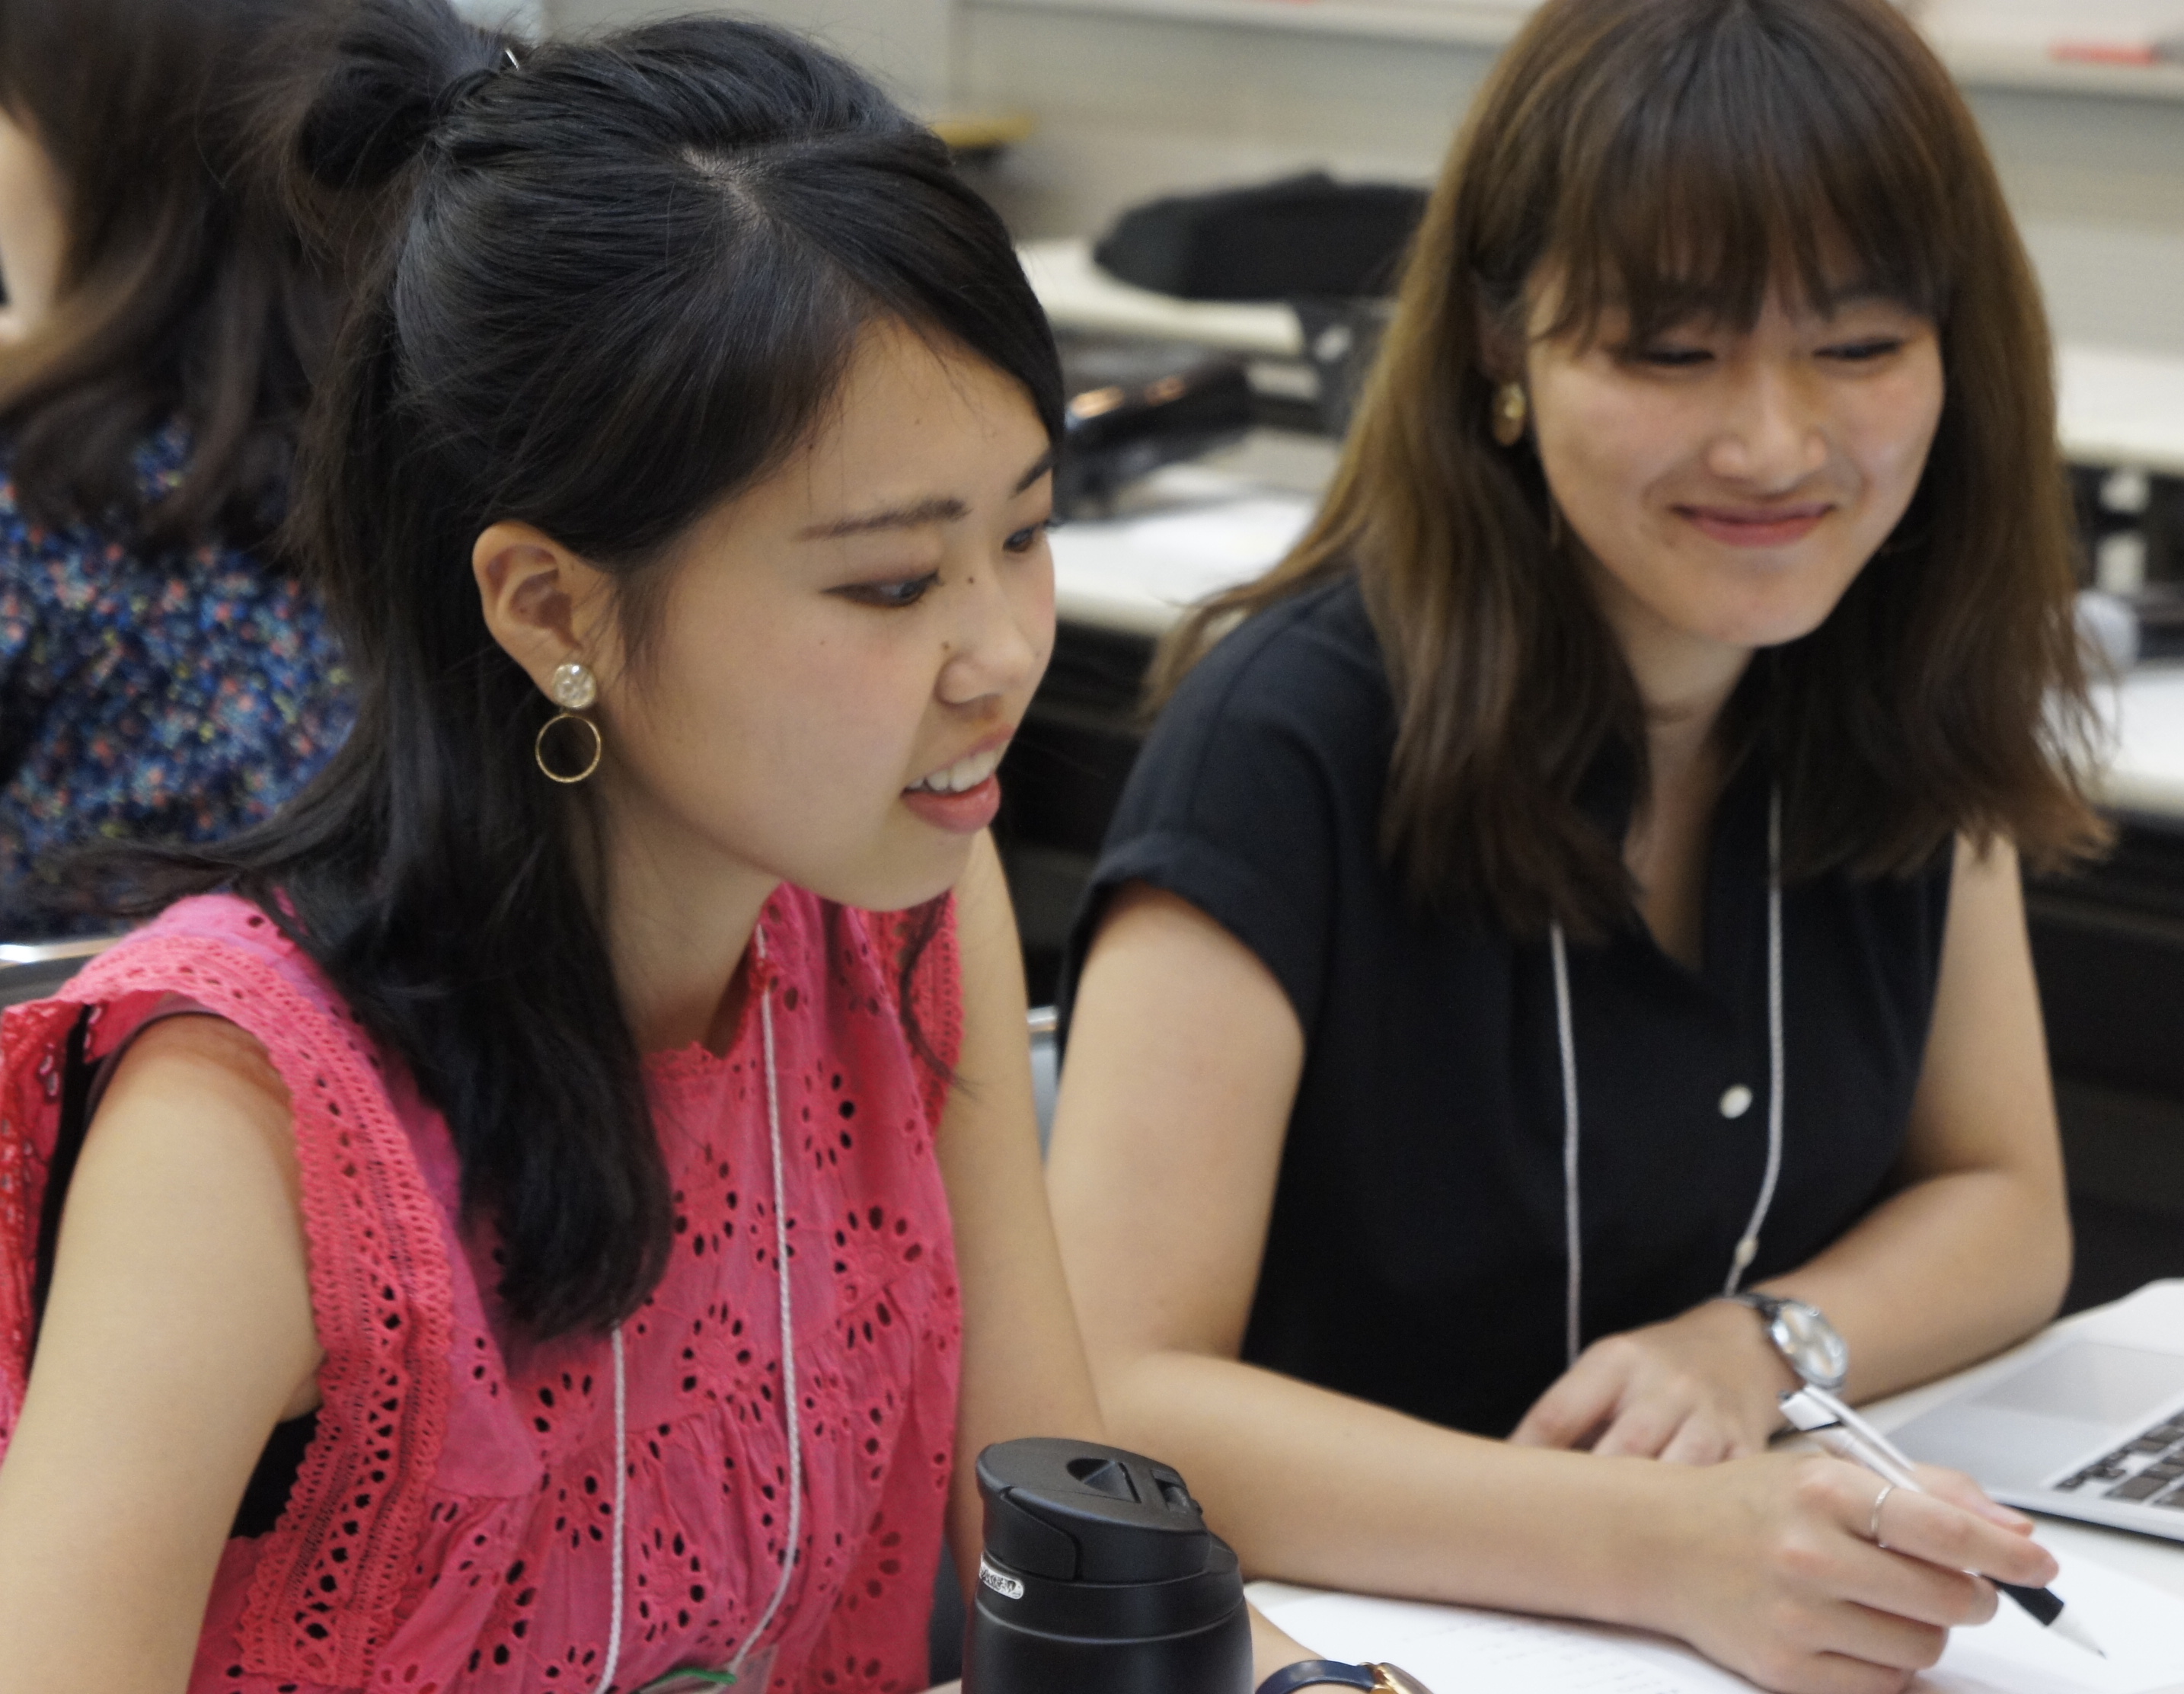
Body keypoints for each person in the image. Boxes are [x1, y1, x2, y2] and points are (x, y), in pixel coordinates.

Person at [0, 4, 1321, 1689]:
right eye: (890, 582)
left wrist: (1306, 1679)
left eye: (1027, 529)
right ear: (550, 608)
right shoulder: (244, 1120)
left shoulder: (905, 913)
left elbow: (1069, 1555)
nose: (1000, 652)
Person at [1050, 0, 2107, 1689]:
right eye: (1669, 354)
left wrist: (1756, 1344)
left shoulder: (1894, 666)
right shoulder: (1284, 737)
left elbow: (2003, 1203)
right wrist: (1657, 1544)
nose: (1772, 443)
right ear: (1500, 346)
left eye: (1855, 347)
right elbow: (1105, 1401)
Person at [0, 0, 353, 932]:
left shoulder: (46, 487)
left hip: (75, 1017)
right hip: (358, 1011)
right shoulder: (434, 456)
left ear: (97, 153)